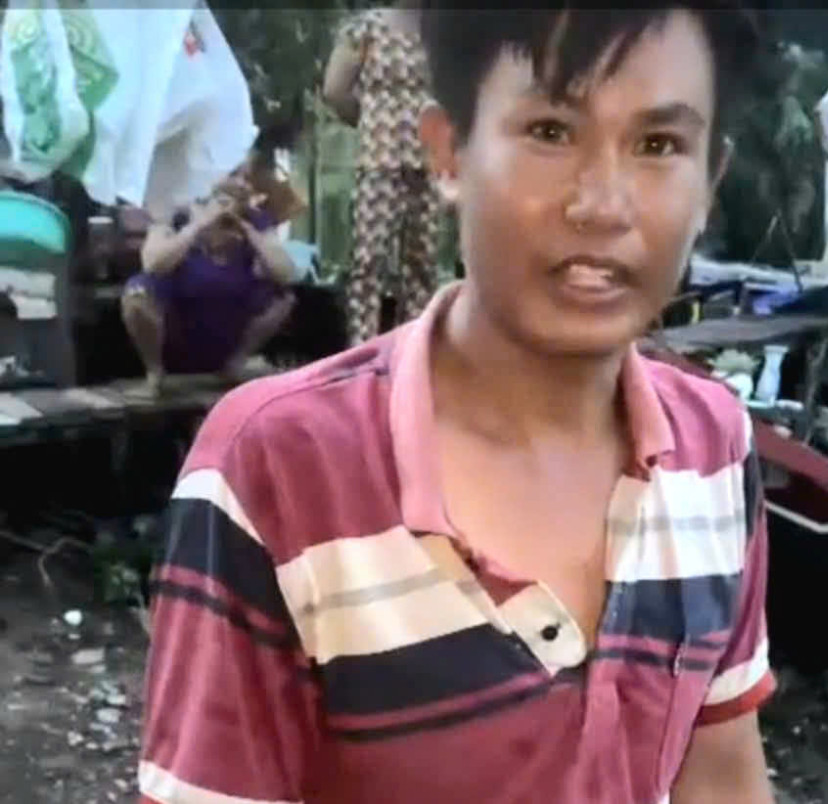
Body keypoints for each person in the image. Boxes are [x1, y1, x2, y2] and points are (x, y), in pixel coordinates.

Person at [139, 5, 776, 804]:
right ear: (447, 153)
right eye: (551, 131)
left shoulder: (715, 447)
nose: (604, 205)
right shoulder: (277, 470)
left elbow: (721, 774)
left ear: (710, 181)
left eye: (658, 145)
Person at [323, 0, 442, 345]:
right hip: (379, 161)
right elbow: (334, 91)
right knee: (368, 260)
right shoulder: (365, 28)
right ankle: (362, 346)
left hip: (429, 161)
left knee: (422, 264)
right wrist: (372, 124)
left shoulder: (439, 32)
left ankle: (413, 346)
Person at [121, 175, 296, 396]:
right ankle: (155, 373)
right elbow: (153, 264)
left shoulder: (253, 221)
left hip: (227, 324)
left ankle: (234, 365)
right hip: (175, 325)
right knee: (137, 294)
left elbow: (285, 273)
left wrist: (248, 230)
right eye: (222, 198)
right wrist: (198, 225)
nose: (241, 183)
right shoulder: (176, 216)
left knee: (283, 297)